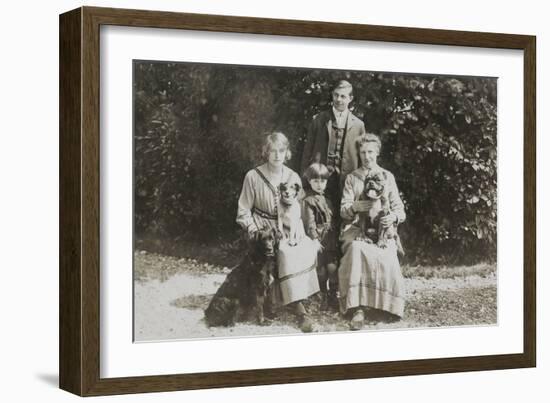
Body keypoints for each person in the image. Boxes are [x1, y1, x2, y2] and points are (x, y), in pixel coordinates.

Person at [236, 132, 320, 332]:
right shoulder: (253, 176)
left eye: (281, 151)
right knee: (283, 251)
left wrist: (299, 228)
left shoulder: (293, 177)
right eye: (272, 151)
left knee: (305, 246)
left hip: (288, 227)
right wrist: (254, 230)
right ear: (265, 153)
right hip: (263, 229)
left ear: (287, 153)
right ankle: (300, 311)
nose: (276, 155)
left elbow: (297, 209)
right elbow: (243, 210)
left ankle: (298, 297)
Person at [338, 133, 406, 330]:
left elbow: (399, 209)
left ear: (377, 152)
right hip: (357, 227)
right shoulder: (352, 178)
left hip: (383, 230)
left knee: (387, 252)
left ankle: (385, 306)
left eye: (370, 152)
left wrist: (392, 217)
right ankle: (357, 307)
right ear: (359, 154)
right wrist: (358, 206)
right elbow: (344, 209)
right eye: (363, 152)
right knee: (357, 249)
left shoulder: (387, 177)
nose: (367, 156)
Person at [300, 80, 367, 211]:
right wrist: (304, 183)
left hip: (346, 182)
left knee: (343, 217)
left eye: (343, 96)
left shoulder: (359, 125)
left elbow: (362, 158)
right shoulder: (319, 120)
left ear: (350, 98)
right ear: (332, 94)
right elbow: (307, 153)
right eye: (336, 95)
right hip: (320, 179)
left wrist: (360, 183)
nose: (338, 99)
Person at [302, 162, 339, 311]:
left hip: (330, 239)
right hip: (318, 240)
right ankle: (322, 295)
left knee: (333, 267)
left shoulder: (328, 200)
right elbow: (310, 222)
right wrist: (315, 240)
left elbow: (332, 219)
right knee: (321, 270)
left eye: (322, 181)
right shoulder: (308, 201)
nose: (319, 184)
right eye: (315, 181)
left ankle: (333, 295)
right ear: (309, 181)